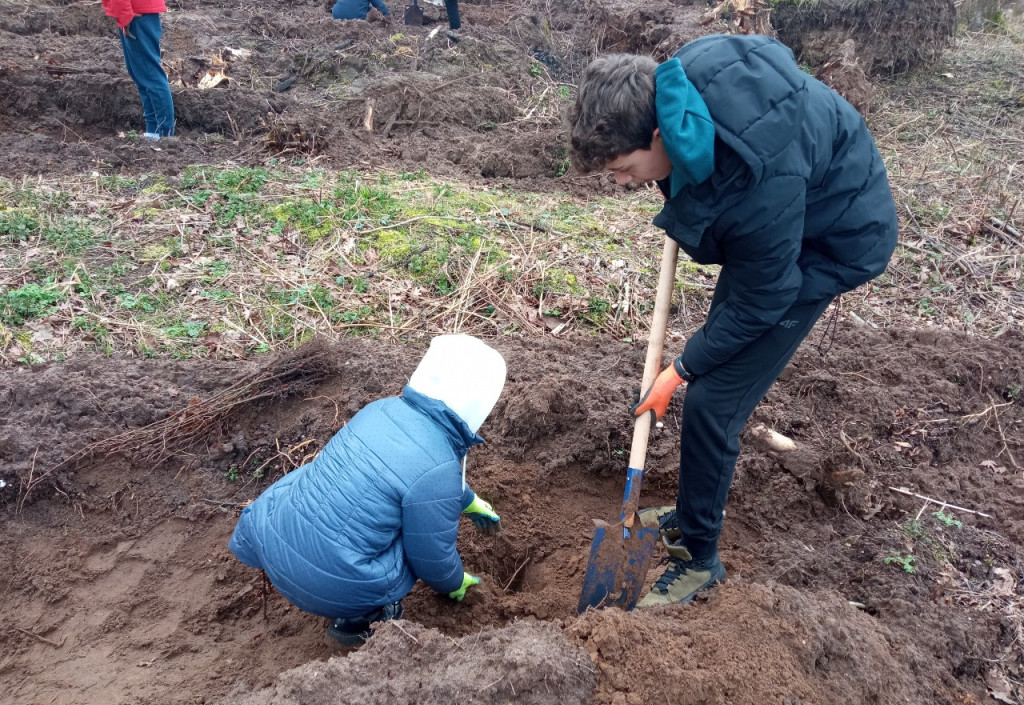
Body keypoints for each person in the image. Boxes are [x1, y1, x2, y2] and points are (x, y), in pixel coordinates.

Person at [568, 34, 897, 607]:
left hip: (831, 242)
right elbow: (717, 195)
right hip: (784, 223)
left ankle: (700, 558)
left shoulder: (757, 187)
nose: (619, 183)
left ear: (656, 134)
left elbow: (767, 295)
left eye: (623, 169)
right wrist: (672, 182)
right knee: (716, 360)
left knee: (714, 400)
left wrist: (680, 369)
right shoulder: (678, 91)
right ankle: (691, 507)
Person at [229, 334, 506, 645]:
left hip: (270, 538)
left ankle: (304, 568)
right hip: (331, 587)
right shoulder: (440, 468)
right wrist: (453, 582)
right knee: (415, 536)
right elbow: (431, 556)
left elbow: (404, 471)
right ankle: (361, 621)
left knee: (323, 475)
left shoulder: (380, 409)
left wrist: (465, 499)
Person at [102, 0, 175, 139]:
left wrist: (125, 15)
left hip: (137, 14)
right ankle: (153, 131)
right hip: (136, 12)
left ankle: (165, 136)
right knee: (140, 75)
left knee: (151, 75)